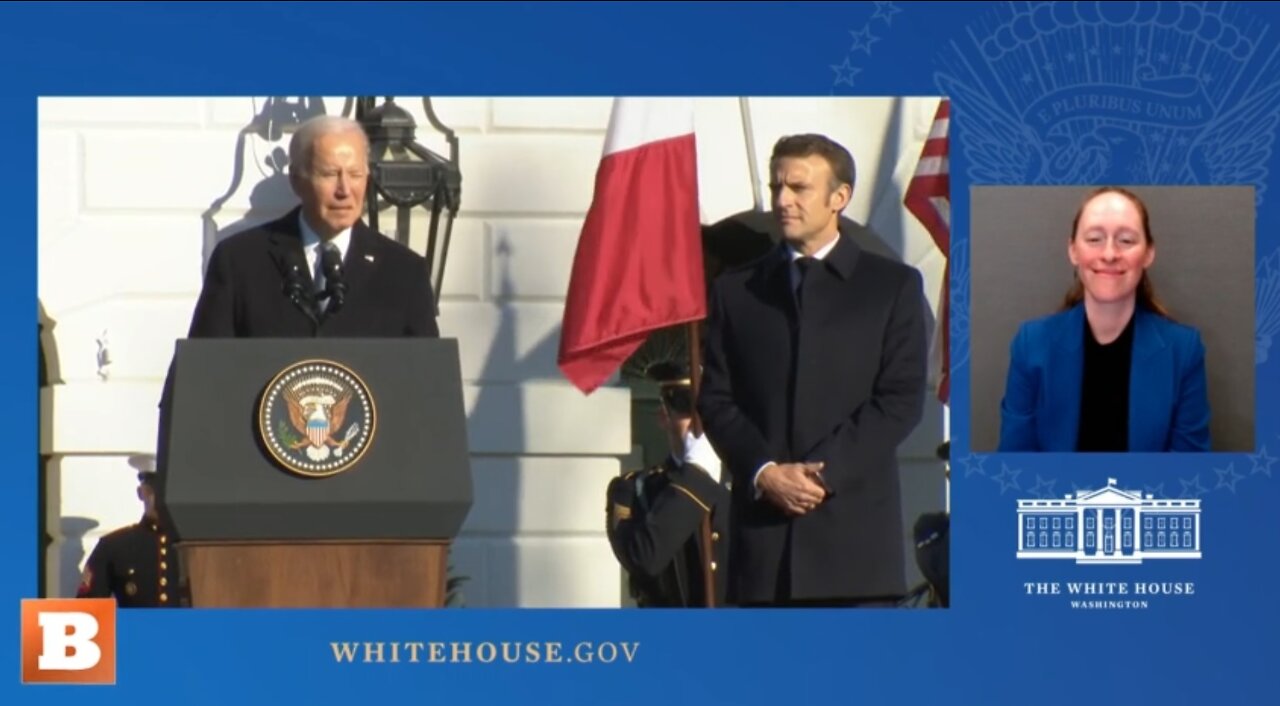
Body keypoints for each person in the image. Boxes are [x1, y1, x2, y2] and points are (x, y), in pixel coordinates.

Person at [697, 133, 929, 607]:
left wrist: (821, 477)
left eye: (799, 188)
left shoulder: (890, 287)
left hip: (855, 554)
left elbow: (899, 400)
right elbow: (717, 399)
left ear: (839, 197)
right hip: (763, 554)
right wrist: (764, 472)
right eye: (777, 186)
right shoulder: (736, 290)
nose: (783, 200)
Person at [997, 186, 1210, 452]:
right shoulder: (1031, 345)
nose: (1109, 254)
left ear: (1148, 253)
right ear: (1073, 250)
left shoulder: (1184, 351)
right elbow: (1014, 467)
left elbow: (1188, 475)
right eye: (1095, 239)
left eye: (1126, 240)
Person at [606, 360, 731, 607]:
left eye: (712, 410)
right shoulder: (633, 490)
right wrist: (696, 475)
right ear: (664, 415)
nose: (700, 421)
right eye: (686, 406)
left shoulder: (753, 485)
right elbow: (645, 559)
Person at [76, 456, 184, 607]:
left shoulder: (193, 546)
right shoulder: (114, 545)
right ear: (140, 493)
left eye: (164, 491)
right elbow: (86, 610)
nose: (158, 499)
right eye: (152, 490)